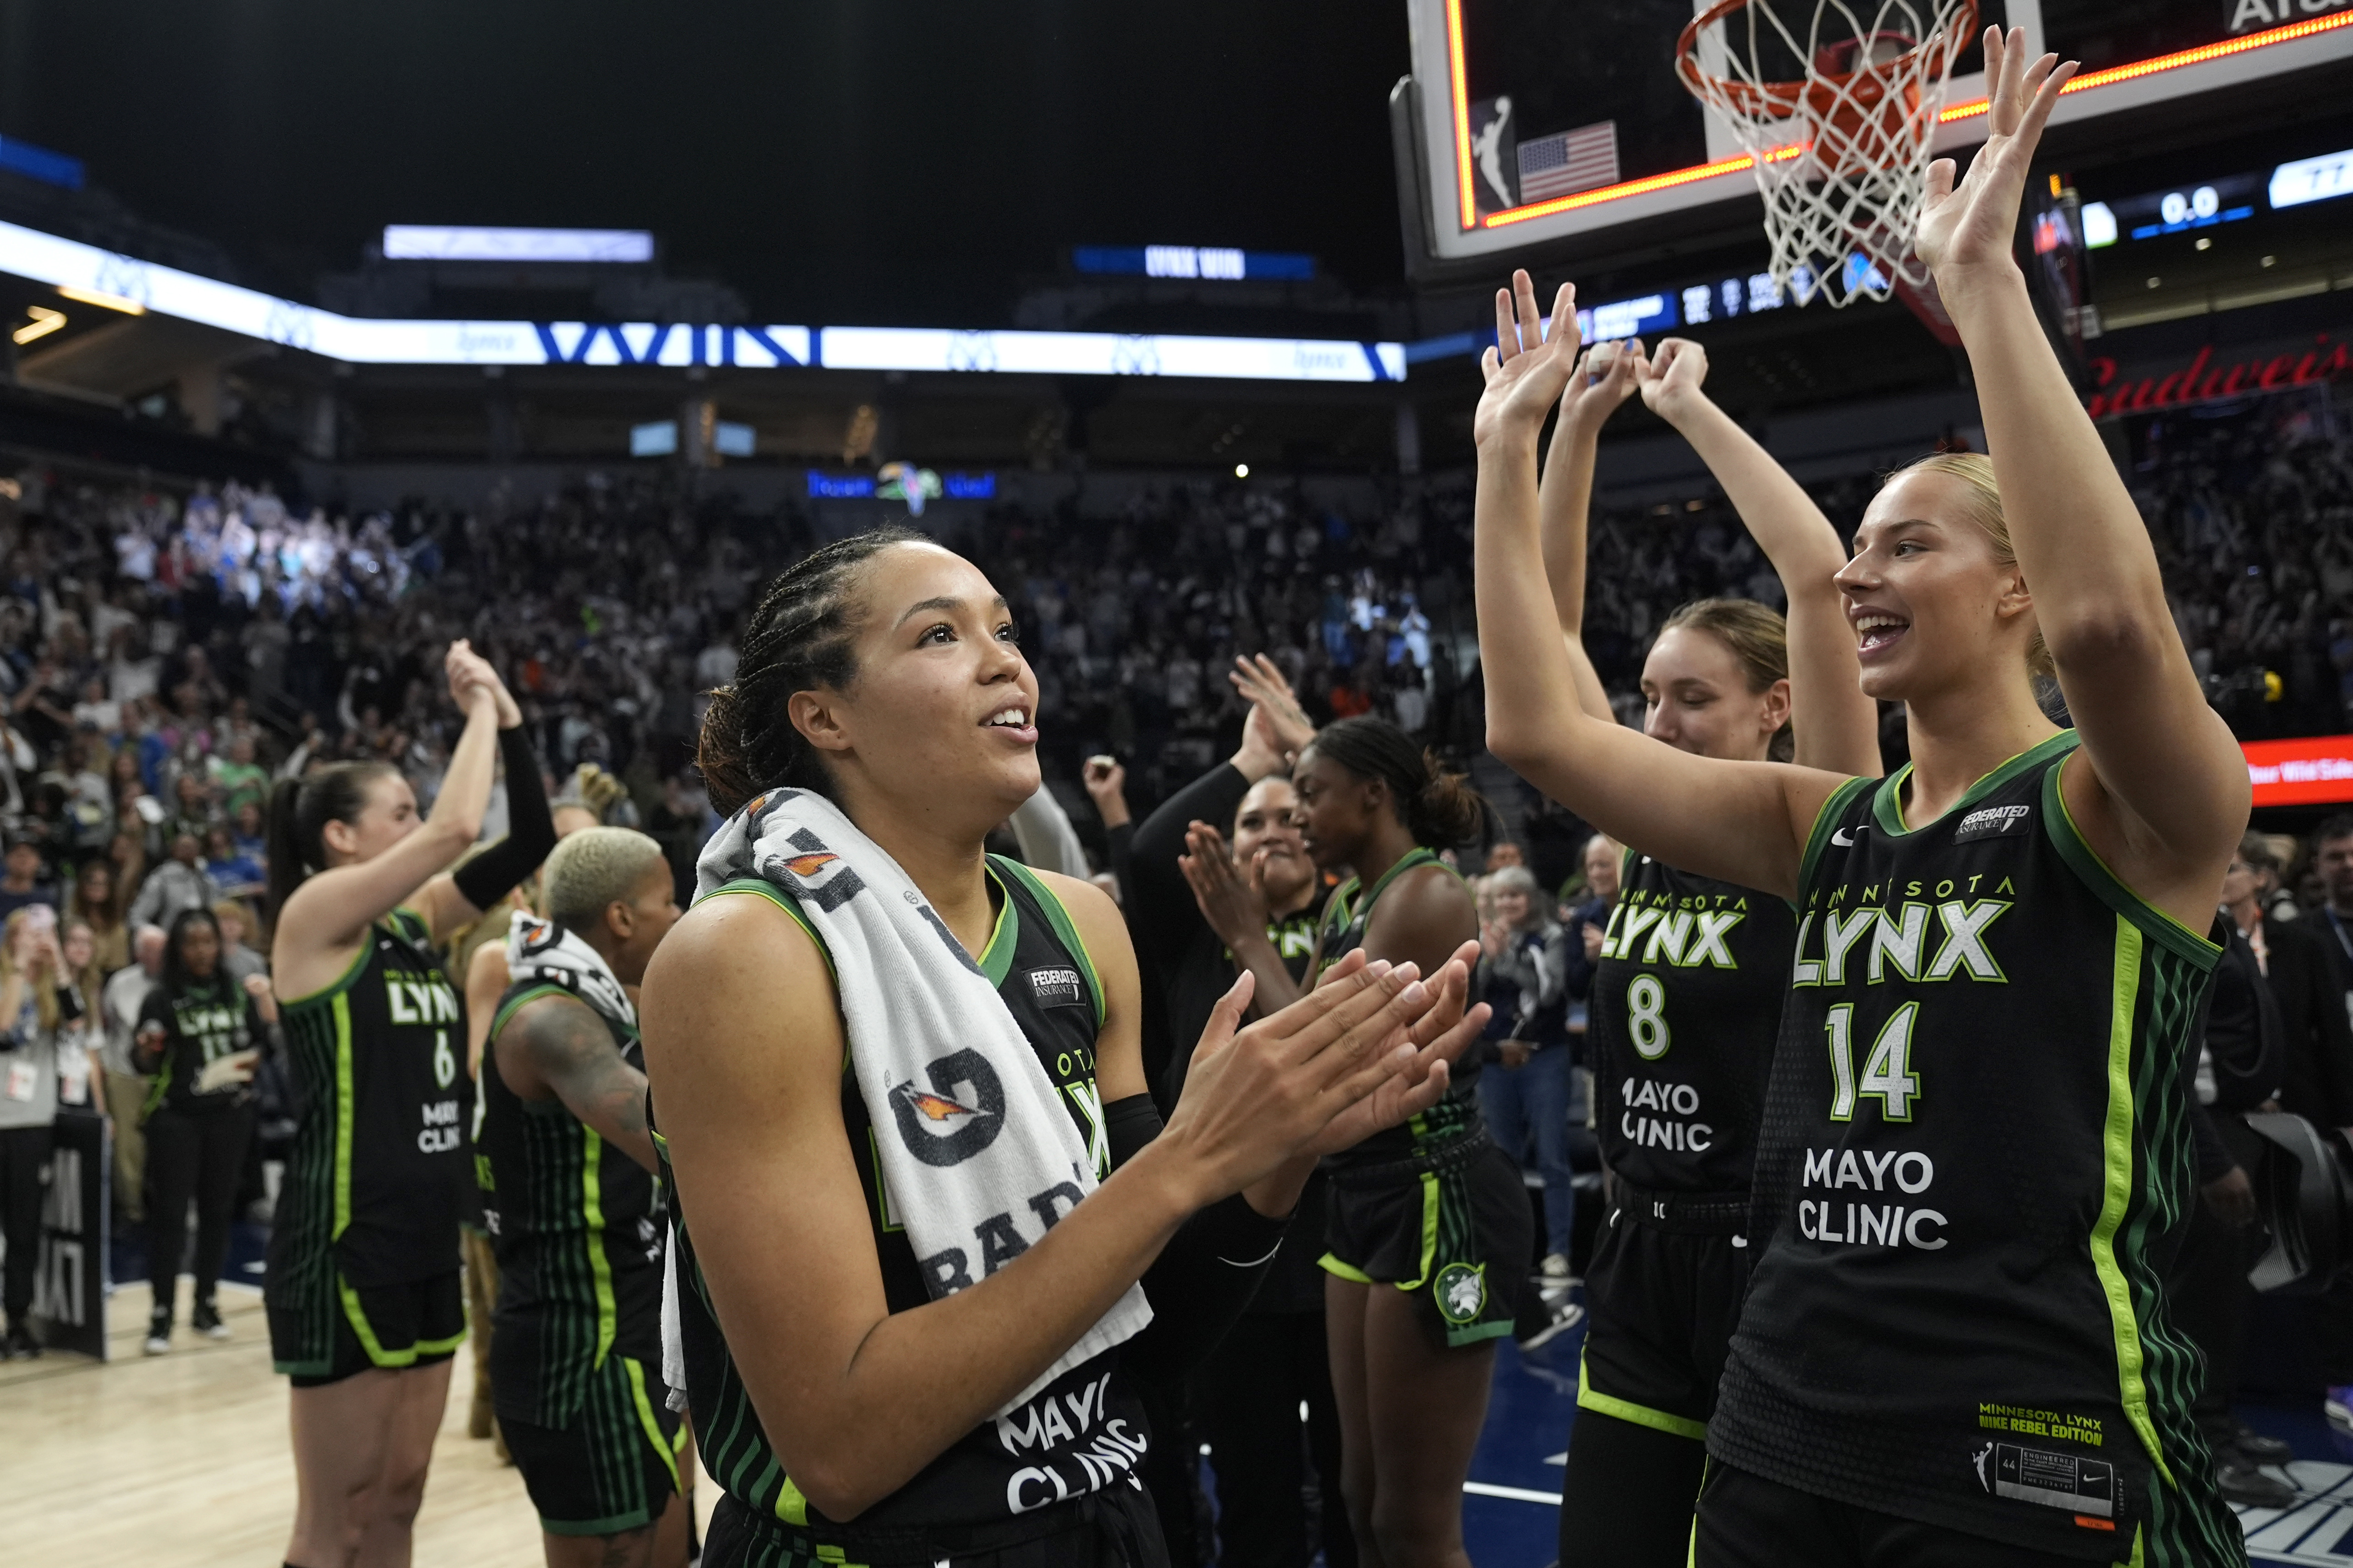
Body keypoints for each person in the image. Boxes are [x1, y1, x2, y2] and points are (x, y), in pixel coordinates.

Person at [1474, 33, 2244, 1564]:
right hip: (1781, 1413)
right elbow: (1540, 727)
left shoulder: (2118, 811)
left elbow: (2110, 629)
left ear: (2016, 580)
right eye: (1858, 545)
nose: (1850, 571)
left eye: (1906, 546)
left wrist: (1986, 293)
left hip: (2023, 1436)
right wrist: (1508, 451)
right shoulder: (1826, 826)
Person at [640, 528, 1486, 1568]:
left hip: (1098, 1521)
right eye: (940, 635)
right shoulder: (743, 956)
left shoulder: (1080, 925)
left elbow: (1148, 1338)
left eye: (1006, 628)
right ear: (824, 715)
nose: (1006, 659)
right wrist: (1187, 1160)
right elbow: (842, 1444)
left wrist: (1274, 1158)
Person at [1530, 330, 1882, 1565]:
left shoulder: (1814, 827)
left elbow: (1815, 571)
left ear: (1774, 708)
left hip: (1775, 1252)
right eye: (1647, 698)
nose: (1656, 723)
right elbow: (1546, 615)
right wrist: (1572, 423)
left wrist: (1687, 413)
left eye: (1693, 700)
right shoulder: (1644, 828)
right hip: (1641, 1249)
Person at [1191, 710, 1516, 1568]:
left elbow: (1323, 1044)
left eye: (1310, 795)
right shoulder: (1346, 897)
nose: (1296, 815)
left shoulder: (1429, 892)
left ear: (1372, 796)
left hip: (1435, 1187)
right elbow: (1290, 1026)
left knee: (1415, 1522)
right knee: (1360, 1504)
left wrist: (1244, 934)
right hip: (1361, 1188)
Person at [264, 639, 555, 1568]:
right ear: (341, 837)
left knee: (398, 1500)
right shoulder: (312, 919)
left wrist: (511, 725)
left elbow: (530, 839)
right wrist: (475, 704)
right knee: (334, 1517)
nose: (417, 818)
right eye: (397, 809)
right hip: (345, 1236)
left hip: (426, 1230)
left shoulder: (409, 923)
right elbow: (458, 828)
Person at [1143, 656, 1355, 1568]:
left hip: (1348, 1241)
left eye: (1289, 814)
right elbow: (1151, 851)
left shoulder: (1359, 919)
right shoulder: (1196, 933)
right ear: (1224, 848)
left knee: (1356, 1489)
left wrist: (1313, 749)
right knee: (1255, 1487)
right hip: (1231, 1257)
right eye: (1250, 820)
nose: (1272, 830)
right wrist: (1245, 759)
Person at [478, 828, 686, 1568]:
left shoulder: (602, 999)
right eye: (669, 899)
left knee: (662, 1542)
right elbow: (670, 1140)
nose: (681, 912)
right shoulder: (550, 1018)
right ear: (622, 917)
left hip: (630, 1319)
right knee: (616, 1550)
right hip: (579, 1342)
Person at [134, 905, 277, 1354]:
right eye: (192, 942)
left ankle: (207, 1303)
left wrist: (261, 1031)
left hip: (228, 1114)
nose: (201, 950)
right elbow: (143, 1059)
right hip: (176, 1116)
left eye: (208, 941)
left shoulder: (235, 992)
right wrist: (148, 1048)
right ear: (178, 948)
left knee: (218, 1211)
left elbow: (263, 1045)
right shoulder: (160, 997)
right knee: (171, 1217)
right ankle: (160, 1314)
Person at [1473, 865, 1578, 1290]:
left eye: (1516, 896)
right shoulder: (1483, 938)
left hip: (1543, 1059)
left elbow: (1550, 991)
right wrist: (1486, 957)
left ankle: (1559, 1250)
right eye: (1501, 897)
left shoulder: (1551, 936)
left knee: (1553, 1159)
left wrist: (1506, 960)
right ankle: (1508, 1249)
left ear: (1531, 899)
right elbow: (1473, 993)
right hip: (1496, 1063)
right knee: (1501, 1162)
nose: (1508, 904)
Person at [0, 907, 68, 1356]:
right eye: (28, 932)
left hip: (31, 1123)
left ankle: (19, 1320)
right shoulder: (11, 979)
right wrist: (20, 969)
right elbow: (3, 1029)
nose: (37, 938)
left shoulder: (49, 986)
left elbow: (78, 1020)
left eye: (44, 932)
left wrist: (58, 964)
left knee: (24, 1230)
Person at [101, 925, 167, 1226]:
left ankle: (165, 1207)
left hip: (166, 1076)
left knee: (167, 1144)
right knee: (129, 1146)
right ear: (140, 953)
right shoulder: (120, 983)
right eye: (153, 950)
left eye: (164, 949)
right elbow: (109, 1023)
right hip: (125, 1073)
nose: (160, 956)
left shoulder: (176, 983)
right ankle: (131, 1210)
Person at [129, 830, 223, 931]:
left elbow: (219, 910)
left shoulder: (206, 879)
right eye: (184, 847)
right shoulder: (161, 879)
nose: (189, 851)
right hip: (171, 938)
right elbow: (137, 917)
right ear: (174, 850)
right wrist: (154, 936)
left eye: (193, 847)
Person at [68, 855, 131, 974]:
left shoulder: (117, 931)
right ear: (82, 886)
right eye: (92, 882)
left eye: (103, 883)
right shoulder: (68, 921)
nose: (97, 887)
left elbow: (116, 972)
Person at [0, 829, 56, 923]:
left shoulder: (45, 899)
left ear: (39, 861)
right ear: (7, 859)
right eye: (19, 854)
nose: (24, 860)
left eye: (30, 854)